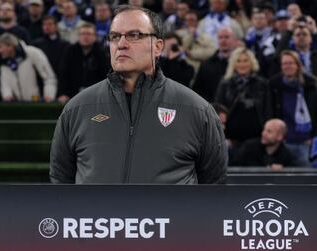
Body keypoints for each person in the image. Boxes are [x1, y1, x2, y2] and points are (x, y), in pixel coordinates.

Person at [49, 5, 227, 184]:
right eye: (115, 36)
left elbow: (213, 186)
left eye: (134, 35)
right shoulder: (77, 109)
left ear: (157, 47)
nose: (121, 44)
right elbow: (61, 181)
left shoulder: (197, 110)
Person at [215, 47, 271, 147]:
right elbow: (218, 110)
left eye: (245, 61)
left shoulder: (263, 83)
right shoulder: (225, 84)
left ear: (251, 63)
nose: (242, 64)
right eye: (239, 61)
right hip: (231, 137)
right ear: (234, 64)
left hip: (257, 137)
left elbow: (268, 110)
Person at [269, 50, 317, 166]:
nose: (288, 66)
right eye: (285, 63)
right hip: (283, 141)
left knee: (305, 179)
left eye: (291, 63)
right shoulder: (275, 86)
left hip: (305, 141)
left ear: (298, 65)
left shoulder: (310, 86)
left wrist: (313, 137)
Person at [0, 32, 57, 102]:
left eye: (1, 47)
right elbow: (5, 84)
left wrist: (49, 95)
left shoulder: (33, 53)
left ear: (10, 46)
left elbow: (49, 77)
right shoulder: (4, 63)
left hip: (39, 103)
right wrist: (7, 96)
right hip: (17, 107)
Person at [57, 23, 109, 103]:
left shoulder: (102, 52)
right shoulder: (70, 51)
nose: (85, 36)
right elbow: (63, 74)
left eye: (89, 34)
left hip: (96, 96)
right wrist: (63, 93)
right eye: (82, 34)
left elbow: (105, 76)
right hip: (72, 95)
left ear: (95, 37)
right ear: (79, 36)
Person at [192, 27, 238, 102]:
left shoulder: (243, 63)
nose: (223, 40)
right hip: (211, 108)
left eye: (226, 37)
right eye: (220, 37)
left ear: (235, 40)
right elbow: (197, 91)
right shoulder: (206, 65)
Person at [231, 119, 295, 169]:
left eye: (269, 131)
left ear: (279, 137)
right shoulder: (249, 147)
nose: (263, 133)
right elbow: (234, 165)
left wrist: (282, 171)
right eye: (264, 129)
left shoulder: (287, 156)